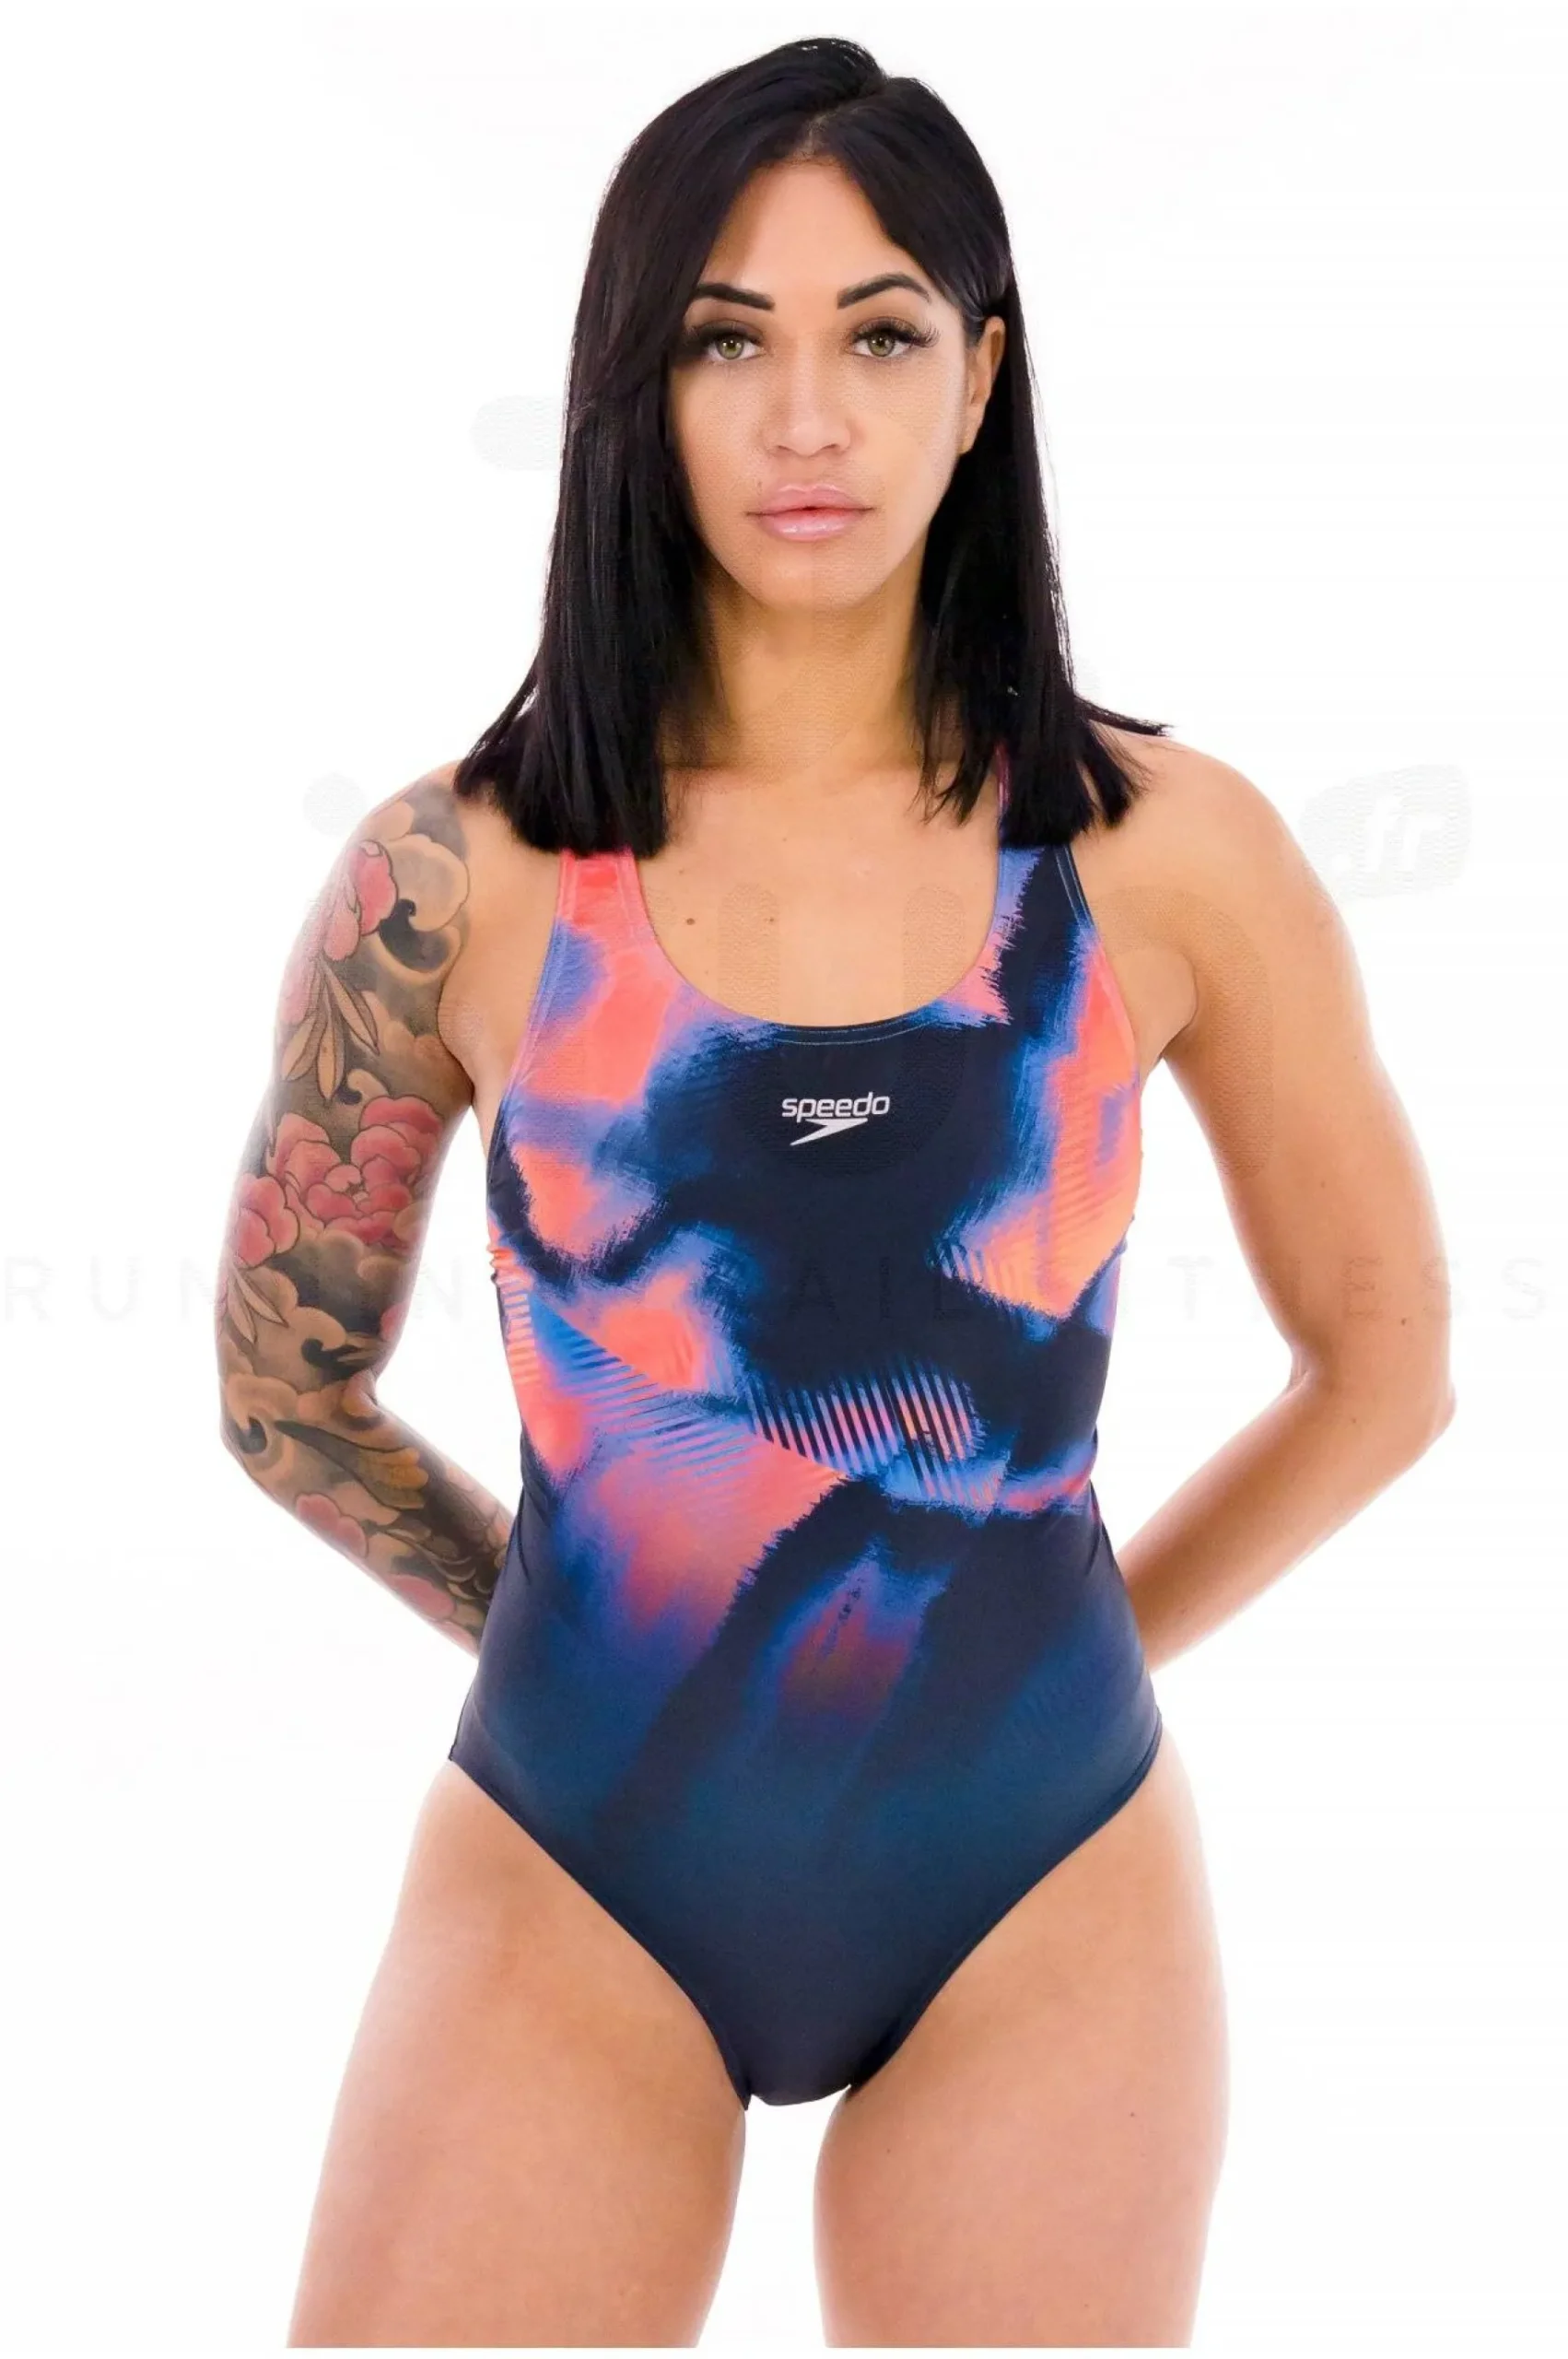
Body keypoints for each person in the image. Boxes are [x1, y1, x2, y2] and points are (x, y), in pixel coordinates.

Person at [215, 36, 1455, 2348]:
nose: (806, 419)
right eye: (726, 341)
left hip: (1037, 1879)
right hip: (582, 1859)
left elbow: (1382, 1366)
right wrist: (580, 1636)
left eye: (878, 335)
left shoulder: (1165, 858)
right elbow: (285, 1396)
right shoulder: (456, 878)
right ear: (633, 387)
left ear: (978, 378)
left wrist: (1057, 1645)